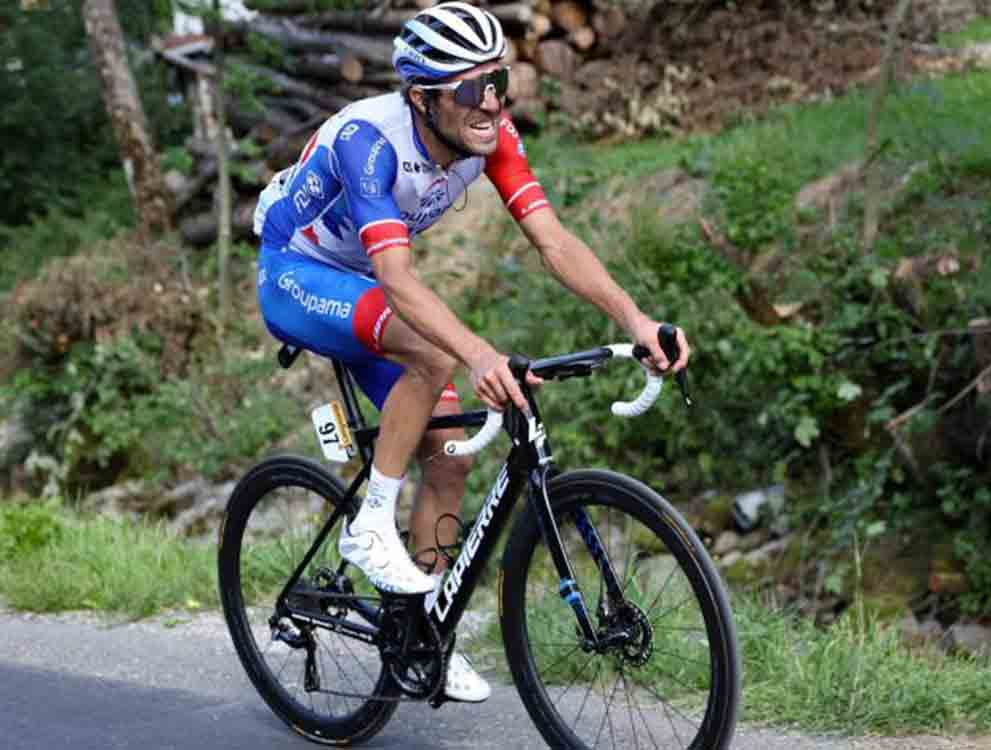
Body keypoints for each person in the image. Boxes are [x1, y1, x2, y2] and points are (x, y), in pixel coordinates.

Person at [253, 1, 690, 703]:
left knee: (451, 459)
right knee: (435, 357)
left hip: (365, 283)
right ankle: (370, 526)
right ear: (422, 97)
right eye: (467, 88)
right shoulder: (371, 141)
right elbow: (397, 280)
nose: (488, 102)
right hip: (297, 275)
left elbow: (553, 241)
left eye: (499, 81)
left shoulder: (490, 135)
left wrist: (637, 320)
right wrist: (481, 353)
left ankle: (420, 633)